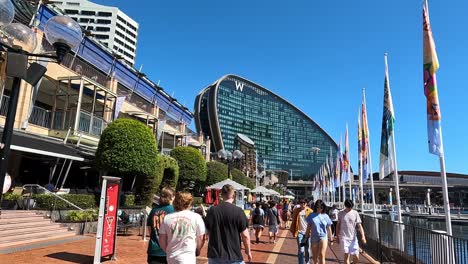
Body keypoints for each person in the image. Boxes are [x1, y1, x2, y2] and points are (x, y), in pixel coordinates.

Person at [205, 184, 252, 264]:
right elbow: (245, 236)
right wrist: (248, 251)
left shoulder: (212, 211)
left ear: (221, 195)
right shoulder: (239, 211)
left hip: (215, 255)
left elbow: (206, 233)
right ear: (234, 195)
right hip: (233, 255)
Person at [159, 192, 206, 264]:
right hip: (188, 257)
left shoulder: (167, 218)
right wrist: (198, 250)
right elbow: (201, 238)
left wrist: (168, 251)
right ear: (190, 203)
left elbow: (161, 240)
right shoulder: (196, 217)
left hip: (172, 258)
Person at [147, 187, 175, 264]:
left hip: (154, 249)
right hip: (168, 250)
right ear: (171, 197)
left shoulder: (153, 210)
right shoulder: (173, 210)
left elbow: (150, 229)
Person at [336, 199, 367, 264]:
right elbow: (338, 225)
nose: (350, 208)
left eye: (351, 207)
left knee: (356, 257)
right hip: (344, 237)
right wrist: (337, 236)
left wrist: (363, 236)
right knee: (346, 256)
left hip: (353, 238)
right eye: (348, 207)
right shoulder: (340, 213)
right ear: (345, 206)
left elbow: (359, 226)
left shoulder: (355, 213)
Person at [305, 200, 333, 264]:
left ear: (323, 208)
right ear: (315, 207)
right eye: (318, 207)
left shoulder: (326, 216)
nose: (319, 209)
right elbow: (308, 227)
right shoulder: (311, 215)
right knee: (315, 257)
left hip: (323, 237)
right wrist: (306, 237)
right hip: (314, 237)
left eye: (321, 207)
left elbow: (329, 228)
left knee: (322, 254)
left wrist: (331, 239)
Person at [290, 199, 313, 264]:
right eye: (301, 203)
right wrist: (293, 229)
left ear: (306, 203)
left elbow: (312, 223)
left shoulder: (310, 211)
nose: (302, 204)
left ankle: (307, 262)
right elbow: (293, 220)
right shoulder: (297, 211)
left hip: (308, 233)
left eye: (304, 203)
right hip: (299, 233)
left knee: (307, 250)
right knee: (301, 250)